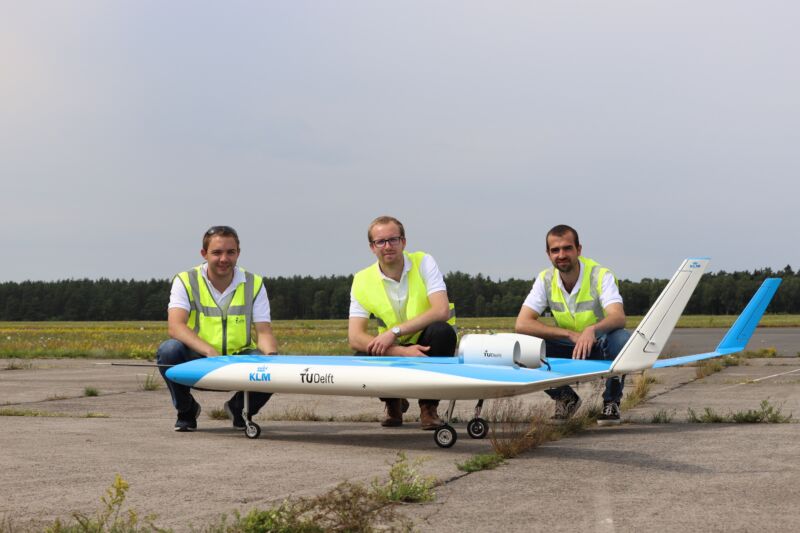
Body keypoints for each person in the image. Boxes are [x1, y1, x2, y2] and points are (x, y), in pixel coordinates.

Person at [156, 225, 278, 432]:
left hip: (239, 357)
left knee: (273, 366)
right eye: (217, 252)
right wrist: (210, 353)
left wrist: (273, 358)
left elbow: (264, 331)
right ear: (204, 254)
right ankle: (187, 411)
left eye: (230, 252)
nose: (224, 259)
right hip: (199, 359)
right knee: (169, 350)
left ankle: (239, 410)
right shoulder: (185, 281)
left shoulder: (254, 283)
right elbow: (175, 327)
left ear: (238, 253)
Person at [348, 215, 457, 430]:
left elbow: (441, 309)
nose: (387, 246)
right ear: (372, 247)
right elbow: (355, 337)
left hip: (428, 341)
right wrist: (399, 350)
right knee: (362, 355)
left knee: (443, 332)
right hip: (393, 348)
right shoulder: (361, 280)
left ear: (403, 242)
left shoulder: (424, 262)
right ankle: (393, 402)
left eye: (393, 240)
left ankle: (428, 406)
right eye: (381, 241)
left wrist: (394, 332)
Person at [515, 224, 630, 426]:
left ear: (579, 249)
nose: (561, 254)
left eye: (567, 248)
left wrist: (592, 330)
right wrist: (568, 334)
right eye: (555, 250)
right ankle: (567, 399)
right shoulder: (545, 279)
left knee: (622, 339)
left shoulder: (600, 275)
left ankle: (611, 402)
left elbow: (618, 317)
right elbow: (522, 323)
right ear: (548, 254)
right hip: (567, 344)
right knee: (522, 347)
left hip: (598, 343)